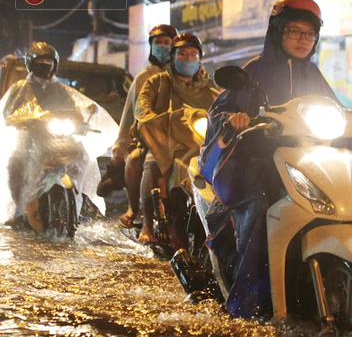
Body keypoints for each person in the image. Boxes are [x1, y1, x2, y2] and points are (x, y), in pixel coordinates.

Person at [200, 0, 343, 319]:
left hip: (305, 161)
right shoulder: (255, 71)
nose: (303, 40)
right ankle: (249, 304)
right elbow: (219, 112)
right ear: (278, 32)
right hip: (255, 160)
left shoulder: (314, 76)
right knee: (263, 204)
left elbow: (336, 110)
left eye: (309, 34)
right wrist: (233, 120)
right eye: (295, 31)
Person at [1, 42, 117, 226]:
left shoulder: (61, 90)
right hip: (29, 139)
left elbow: (75, 111)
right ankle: (18, 207)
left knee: (83, 156)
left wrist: (82, 124)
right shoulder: (21, 88)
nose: (45, 65)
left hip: (57, 138)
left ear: (55, 64)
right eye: (40, 61)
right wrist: (23, 121)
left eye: (49, 61)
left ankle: (78, 201)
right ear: (31, 64)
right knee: (16, 162)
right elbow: (8, 114)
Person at [135, 32, 219, 246]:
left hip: (198, 146)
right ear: (173, 57)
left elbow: (221, 112)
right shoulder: (156, 82)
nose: (189, 59)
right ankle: (147, 222)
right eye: (183, 54)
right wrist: (163, 122)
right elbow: (142, 110)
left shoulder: (208, 88)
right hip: (164, 142)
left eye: (193, 55)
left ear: (200, 59)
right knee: (150, 165)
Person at [100, 24, 178, 229]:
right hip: (150, 139)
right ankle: (135, 209)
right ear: (151, 46)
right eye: (158, 43)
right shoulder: (143, 78)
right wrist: (119, 153)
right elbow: (129, 118)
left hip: (181, 137)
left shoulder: (184, 76)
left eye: (167, 43)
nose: (163, 47)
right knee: (134, 162)